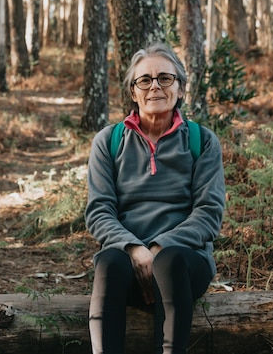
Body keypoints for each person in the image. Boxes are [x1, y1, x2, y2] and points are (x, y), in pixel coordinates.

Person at [85, 43, 226, 354]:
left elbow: (209, 212)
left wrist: (159, 248)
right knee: (107, 261)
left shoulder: (201, 141)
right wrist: (135, 249)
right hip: (125, 265)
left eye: (165, 78)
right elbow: (99, 212)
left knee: (170, 261)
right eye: (144, 80)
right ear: (133, 92)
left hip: (185, 267)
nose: (155, 87)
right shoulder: (109, 141)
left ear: (180, 88)